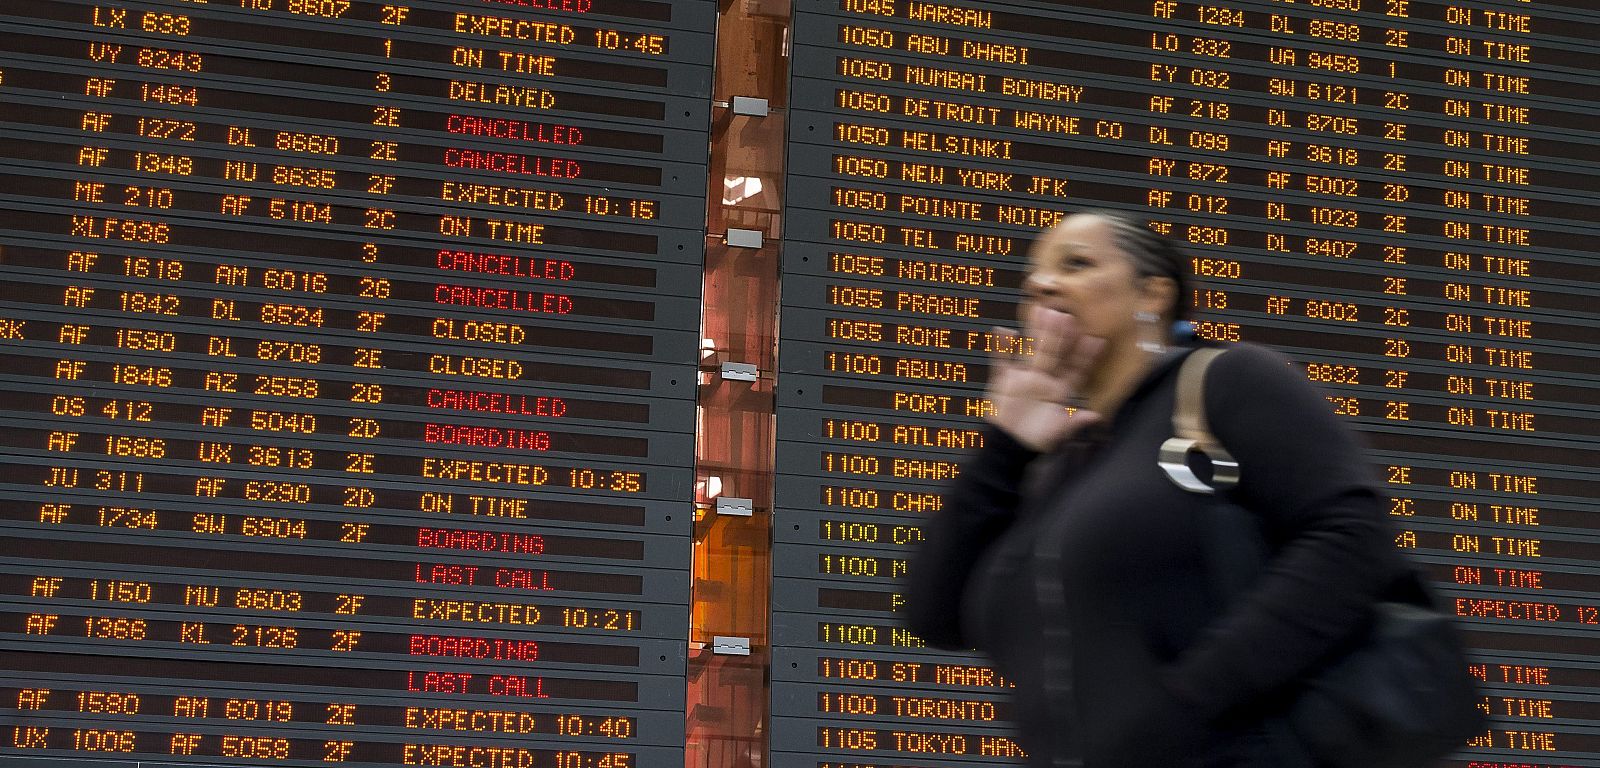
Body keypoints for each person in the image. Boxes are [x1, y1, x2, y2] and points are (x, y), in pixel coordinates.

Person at [904, 211, 1403, 768]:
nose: (1042, 285)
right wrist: (1005, 447)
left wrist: (1189, 706)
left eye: (1076, 264)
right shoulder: (1061, 467)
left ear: (1154, 294)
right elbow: (933, 616)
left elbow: (1353, 536)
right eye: (1032, 281)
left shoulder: (1227, 382)